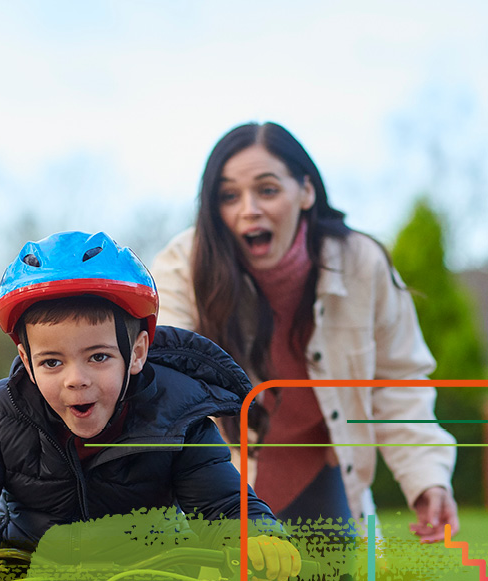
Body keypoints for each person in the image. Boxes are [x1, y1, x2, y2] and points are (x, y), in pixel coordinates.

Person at [0, 231, 303, 581]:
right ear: (27, 362)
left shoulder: (179, 418)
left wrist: (258, 535)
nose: (76, 379)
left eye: (98, 357)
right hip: (29, 564)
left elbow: (222, 502)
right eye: (52, 362)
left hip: (146, 567)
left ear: (137, 353)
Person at [151, 121, 458, 542]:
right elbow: (161, 378)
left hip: (324, 478)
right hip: (226, 482)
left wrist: (427, 478)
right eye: (229, 195)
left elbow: (399, 382)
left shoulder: (361, 263)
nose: (249, 209)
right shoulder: (183, 265)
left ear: (306, 191)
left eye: (268, 189)